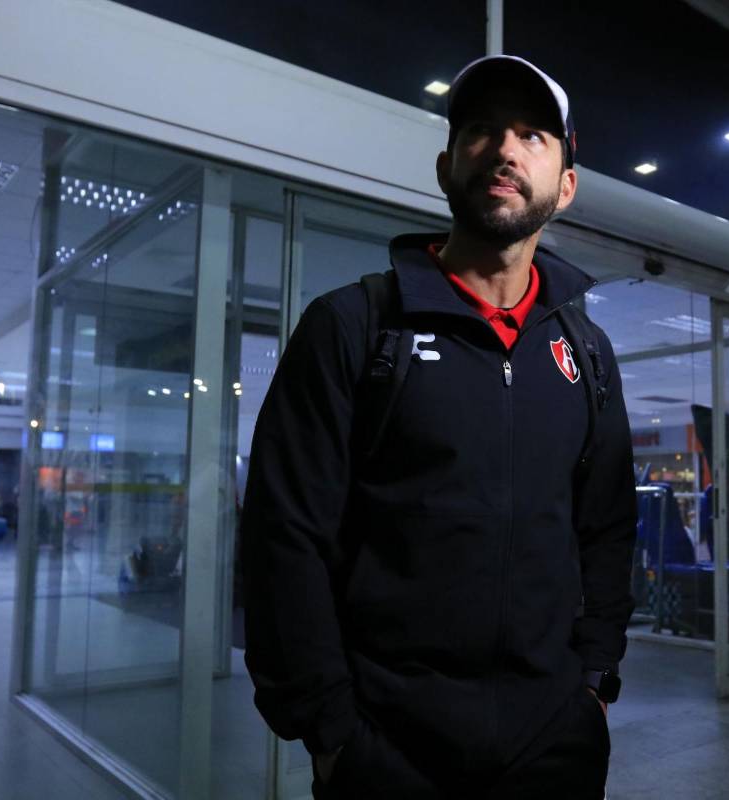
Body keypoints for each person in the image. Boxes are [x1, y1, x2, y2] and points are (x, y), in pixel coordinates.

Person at [242, 55, 637, 799]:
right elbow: (283, 538)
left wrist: (593, 684)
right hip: (386, 750)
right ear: (445, 165)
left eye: (532, 135)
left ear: (566, 186)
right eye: (481, 129)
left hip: (553, 743)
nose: (505, 149)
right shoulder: (354, 327)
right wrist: (331, 732)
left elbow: (608, 530)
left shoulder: (586, 354)